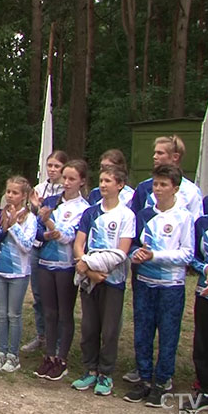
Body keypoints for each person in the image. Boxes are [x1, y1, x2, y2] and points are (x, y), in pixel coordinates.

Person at [125, 135, 202, 384]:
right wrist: (134, 253)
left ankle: (162, 380)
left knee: (168, 333)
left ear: (175, 188)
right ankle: (144, 377)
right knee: (143, 330)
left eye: (163, 185)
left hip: (171, 284)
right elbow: (133, 240)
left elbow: (188, 252)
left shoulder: (185, 214)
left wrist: (155, 255)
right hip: (145, 279)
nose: (157, 189)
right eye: (155, 185)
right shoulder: (146, 212)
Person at [70, 165, 135, 397]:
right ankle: (90, 369)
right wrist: (88, 271)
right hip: (90, 280)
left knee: (109, 330)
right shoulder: (90, 212)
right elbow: (79, 244)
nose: (103, 184)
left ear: (120, 185)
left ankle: (106, 374)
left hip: (113, 281)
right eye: (101, 180)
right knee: (89, 327)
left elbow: (122, 252)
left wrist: (90, 265)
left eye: (108, 180)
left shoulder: (127, 215)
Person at [33, 160, 90, 380]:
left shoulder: (84, 208)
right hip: (46, 262)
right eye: (64, 178)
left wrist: (50, 224)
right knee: (49, 311)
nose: (66, 182)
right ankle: (49, 355)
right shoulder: (51, 201)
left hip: (66, 265)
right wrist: (43, 228)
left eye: (72, 179)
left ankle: (62, 358)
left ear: (82, 181)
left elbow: (68, 237)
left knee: (65, 313)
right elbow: (37, 231)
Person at [0, 176, 37, 373]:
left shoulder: (30, 219)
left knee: (13, 314)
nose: (10, 195)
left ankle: (13, 356)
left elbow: (27, 246)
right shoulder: (1, 214)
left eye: (15, 193)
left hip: (19, 272)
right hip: (1, 269)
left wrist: (14, 226)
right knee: (1, 315)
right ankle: (1, 352)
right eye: (8, 191)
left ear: (24, 196)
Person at [22, 150, 68, 354]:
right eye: (50, 165)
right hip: (37, 246)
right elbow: (30, 216)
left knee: (55, 298)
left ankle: (57, 339)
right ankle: (41, 335)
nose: (52, 169)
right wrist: (33, 207)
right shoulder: (39, 188)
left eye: (57, 166)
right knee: (39, 294)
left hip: (56, 248)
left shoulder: (67, 191)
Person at [130, 135, 203, 219]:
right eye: (155, 152)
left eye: (160, 153)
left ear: (175, 157)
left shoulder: (191, 191)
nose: (154, 157)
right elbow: (135, 221)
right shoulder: (143, 188)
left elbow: (196, 225)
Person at [188, 212, 208, 412]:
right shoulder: (203, 223)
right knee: (203, 344)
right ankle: (206, 390)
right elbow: (193, 257)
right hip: (205, 294)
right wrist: (205, 269)